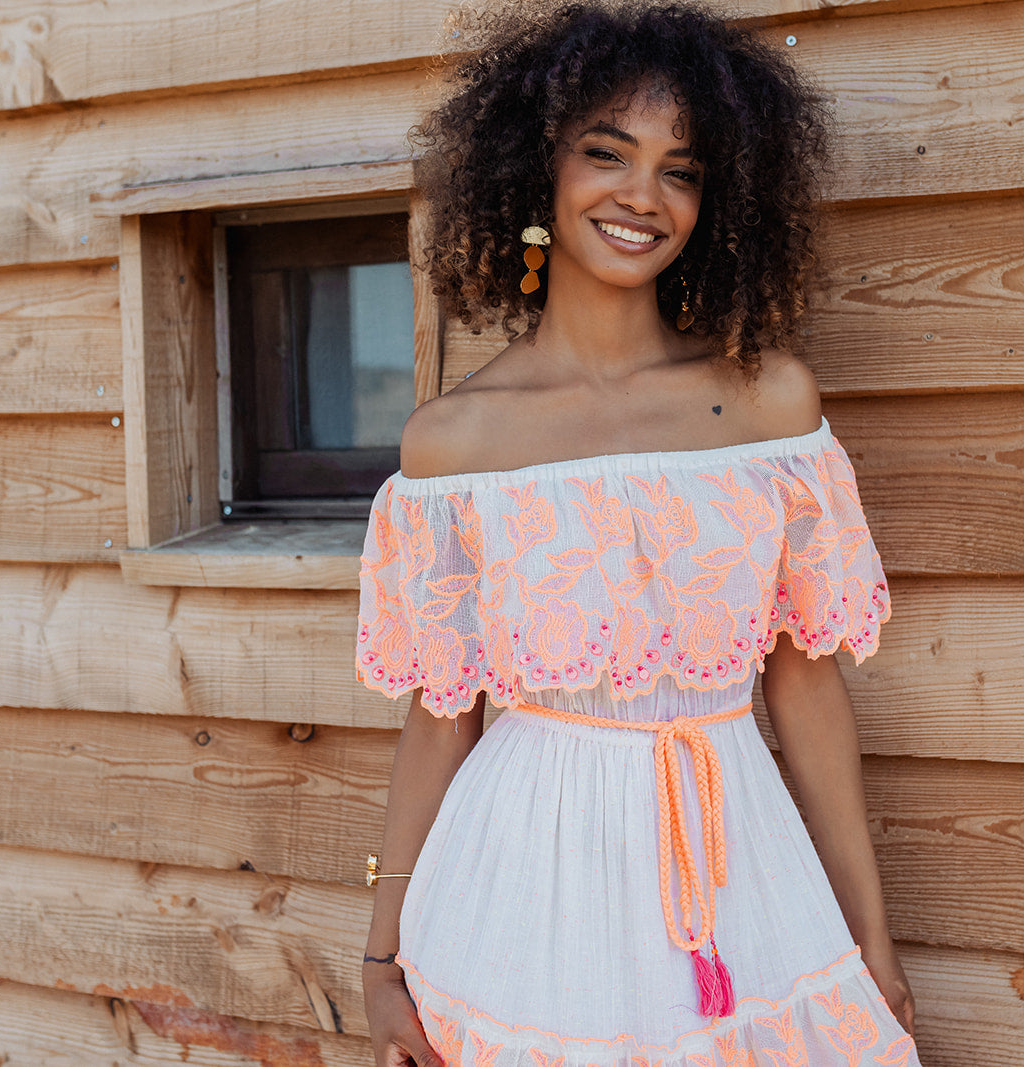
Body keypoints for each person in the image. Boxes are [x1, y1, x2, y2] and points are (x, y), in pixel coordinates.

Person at [356, 3, 921, 1064]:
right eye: (606, 154)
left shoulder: (768, 407)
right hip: (519, 896)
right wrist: (382, 959)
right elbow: (439, 722)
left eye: (681, 170)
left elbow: (805, 686)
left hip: (739, 869)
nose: (642, 196)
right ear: (536, 169)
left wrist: (871, 937)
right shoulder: (452, 445)